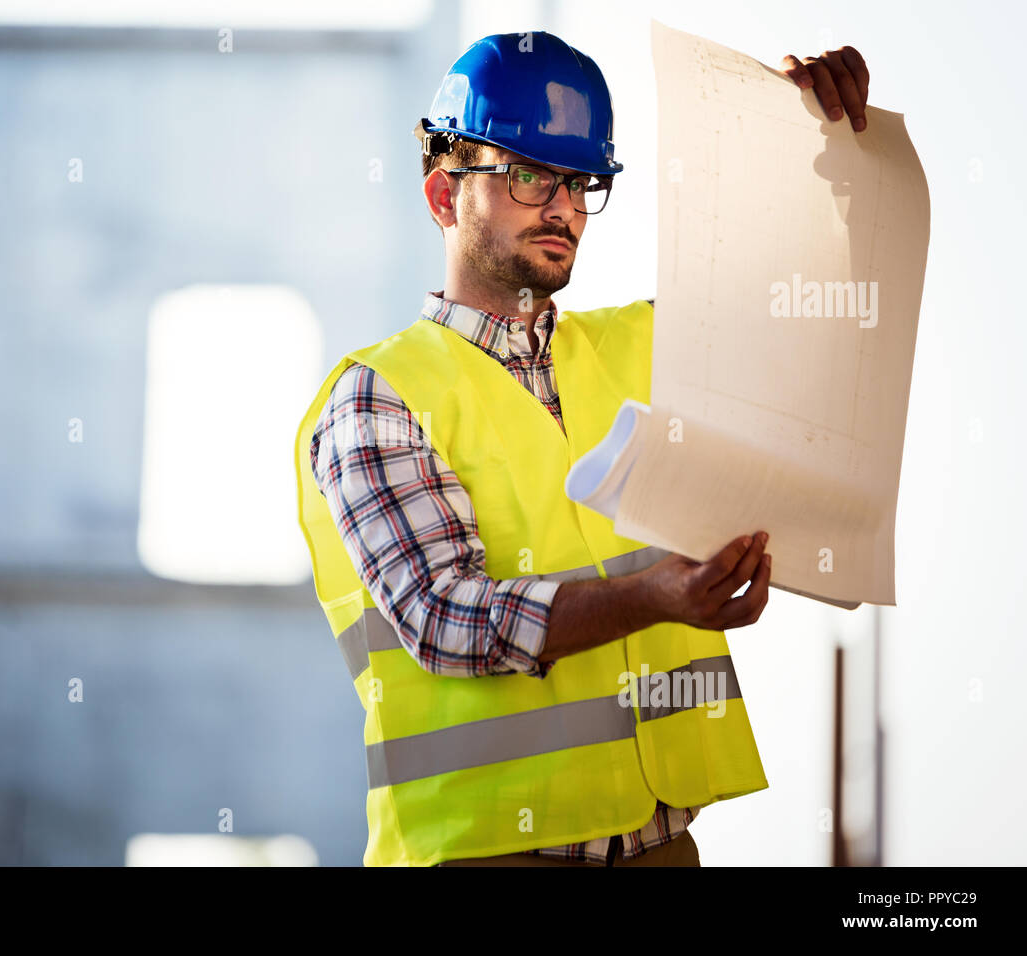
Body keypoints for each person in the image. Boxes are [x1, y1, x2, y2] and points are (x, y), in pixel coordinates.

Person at [293, 31, 871, 867]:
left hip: (663, 847)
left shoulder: (648, 351)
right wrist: (658, 598)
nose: (561, 205)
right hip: (484, 854)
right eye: (528, 174)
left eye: (579, 181)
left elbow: (801, 310)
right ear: (442, 194)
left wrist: (794, 137)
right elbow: (444, 617)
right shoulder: (379, 396)